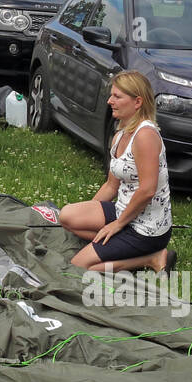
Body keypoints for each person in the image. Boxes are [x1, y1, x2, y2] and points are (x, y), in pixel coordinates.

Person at [57, 71, 174, 273]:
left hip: (146, 229)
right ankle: (114, 244)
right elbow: (111, 185)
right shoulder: (120, 135)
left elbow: (147, 190)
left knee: (80, 266)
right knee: (67, 216)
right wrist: (90, 212)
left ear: (137, 102)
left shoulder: (145, 135)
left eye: (117, 96)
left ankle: (151, 258)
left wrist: (116, 225)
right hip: (124, 213)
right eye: (111, 95)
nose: (110, 101)